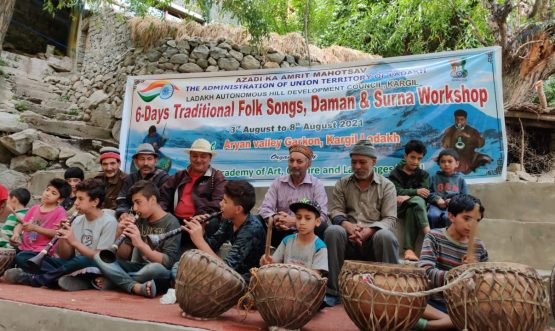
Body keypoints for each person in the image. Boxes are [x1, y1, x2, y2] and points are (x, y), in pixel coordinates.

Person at [4, 179, 118, 291]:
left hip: (93, 265)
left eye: (80, 199)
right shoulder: (77, 220)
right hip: (71, 265)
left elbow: (100, 257)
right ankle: (61, 279)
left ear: (95, 202)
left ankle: (37, 279)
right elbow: (65, 256)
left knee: (83, 260)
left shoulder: (109, 222)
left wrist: (74, 242)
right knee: (23, 256)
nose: (76, 203)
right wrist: (63, 236)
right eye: (76, 198)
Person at [324, 140, 399, 307]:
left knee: (385, 236)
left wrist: (369, 231)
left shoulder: (387, 186)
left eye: (362, 162)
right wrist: (348, 226)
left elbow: (390, 218)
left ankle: (392, 290)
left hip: (374, 240)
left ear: (373, 162)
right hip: (349, 239)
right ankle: (332, 292)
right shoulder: (342, 184)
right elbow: (335, 212)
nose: (357, 166)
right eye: (354, 162)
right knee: (333, 231)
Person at [93, 180, 180, 298]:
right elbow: (124, 255)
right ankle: (135, 286)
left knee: (153, 268)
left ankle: (114, 281)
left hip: (158, 270)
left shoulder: (171, 222)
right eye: (133, 203)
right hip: (138, 267)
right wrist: (119, 232)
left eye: (138, 202)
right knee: (99, 257)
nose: (134, 208)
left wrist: (141, 245)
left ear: (152, 200)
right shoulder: (139, 220)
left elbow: (168, 262)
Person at [416, 194, 488, 330]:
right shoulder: (434, 237)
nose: (472, 225)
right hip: (434, 302)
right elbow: (426, 272)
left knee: (487, 311)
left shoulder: (479, 246)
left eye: (476, 221)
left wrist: (475, 271)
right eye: (467, 218)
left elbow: (484, 283)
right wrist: (458, 275)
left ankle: (428, 326)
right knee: (410, 300)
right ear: (451, 216)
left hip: (463, 305)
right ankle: (453, 322)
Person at [177, 180, 265, 282]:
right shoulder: (229, 220)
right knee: (179, 266)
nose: (220, 203)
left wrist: (199, 240)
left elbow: (226, 269)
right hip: (231, 274)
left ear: (238, 209)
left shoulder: (251, 230)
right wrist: (202, 230)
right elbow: (213, 245)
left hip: (246, 280)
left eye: (225, 201)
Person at [258, 144, 328, 248]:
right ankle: (258, 262)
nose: (294, 165)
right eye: (291, 161)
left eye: (299, 161)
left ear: (308, 164)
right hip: (280, 233)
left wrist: (295, 221)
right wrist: (276, 218)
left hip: (305, 233)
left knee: (323, 227)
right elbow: (264, 209)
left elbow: (322, 216)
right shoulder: (278, 182)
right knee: (256, 221)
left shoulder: (316, 185)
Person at [159, 138, 225, 239]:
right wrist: (164, 215)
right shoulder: (179, 176)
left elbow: (218, 201)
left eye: (203, 156)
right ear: (190, 157)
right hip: (177, 221)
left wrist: (200, 215)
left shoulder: (217, 177)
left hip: (201, 220)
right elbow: (163, 196)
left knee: (212, 222)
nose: (198, 160)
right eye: (194, 156)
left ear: (210, 158)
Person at [7, 178, 71, 273]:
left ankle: (56, 273)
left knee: (21, 258)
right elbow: (21, 224)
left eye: (53, 193)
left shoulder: (60, 211)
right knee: (11, 255)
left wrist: (35, 228)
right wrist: (16, 234)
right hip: (24, 248)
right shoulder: (34, 208)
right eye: (47, 190)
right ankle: (33, 273)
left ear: (60, 199)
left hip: (42, 251)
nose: (48, 193)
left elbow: (57, 233)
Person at [260, 198, 328, 275]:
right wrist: (266, 261)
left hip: (307, 286)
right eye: (298, 218)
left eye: (308, 218)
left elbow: (315, 278)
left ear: (317, 221)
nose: (302, 222)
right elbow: (273, 265)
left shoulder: (320, 247)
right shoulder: (287, 240)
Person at [388, 140, 430, 261]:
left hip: (415, 208)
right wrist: (415, 192)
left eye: (419, 158)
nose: (415, 162)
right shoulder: (395, 174)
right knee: (417, 200)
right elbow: (395, 191)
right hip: (399, 208)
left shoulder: (424, 175)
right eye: (412, 157)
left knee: (413, 207)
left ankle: (409, 250)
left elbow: (425, 193)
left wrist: (408, 196)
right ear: (405, 156)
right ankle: (428, 233)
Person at [115, 143, 169, 219]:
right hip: (132, 216)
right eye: (142, 159)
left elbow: (164, 202)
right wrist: (123, 212)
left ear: (155, 160)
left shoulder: (163, 178)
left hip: (153, 218)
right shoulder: (131, 178)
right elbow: (122, 198)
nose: (145, 163)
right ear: (136, 161)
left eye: (149, 159)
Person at [441, 109, 492, 174]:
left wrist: (469, 137)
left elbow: (481, 144)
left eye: (461, 120)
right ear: (454, 119)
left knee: (486, 159)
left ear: (466, 120)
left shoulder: (472, 130)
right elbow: (445, 145)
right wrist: (453, 135)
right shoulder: (449, 130)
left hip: (469, 157)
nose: (459, 122)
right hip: (454, 157)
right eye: (457, 120)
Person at [428, 149, 468, 228]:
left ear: (457, 163)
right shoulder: (433, 178)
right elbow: (428, 193)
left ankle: (447, 239)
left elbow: (465, 197)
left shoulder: (460, 180)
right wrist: (437, 199)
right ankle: (434, 237)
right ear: (439, 164)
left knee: (449, 218)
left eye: (450, 161)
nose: (446, 164)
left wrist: (453, 201)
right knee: (432, 216)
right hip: (435, 206)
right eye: (443, 161)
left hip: (453, 207)